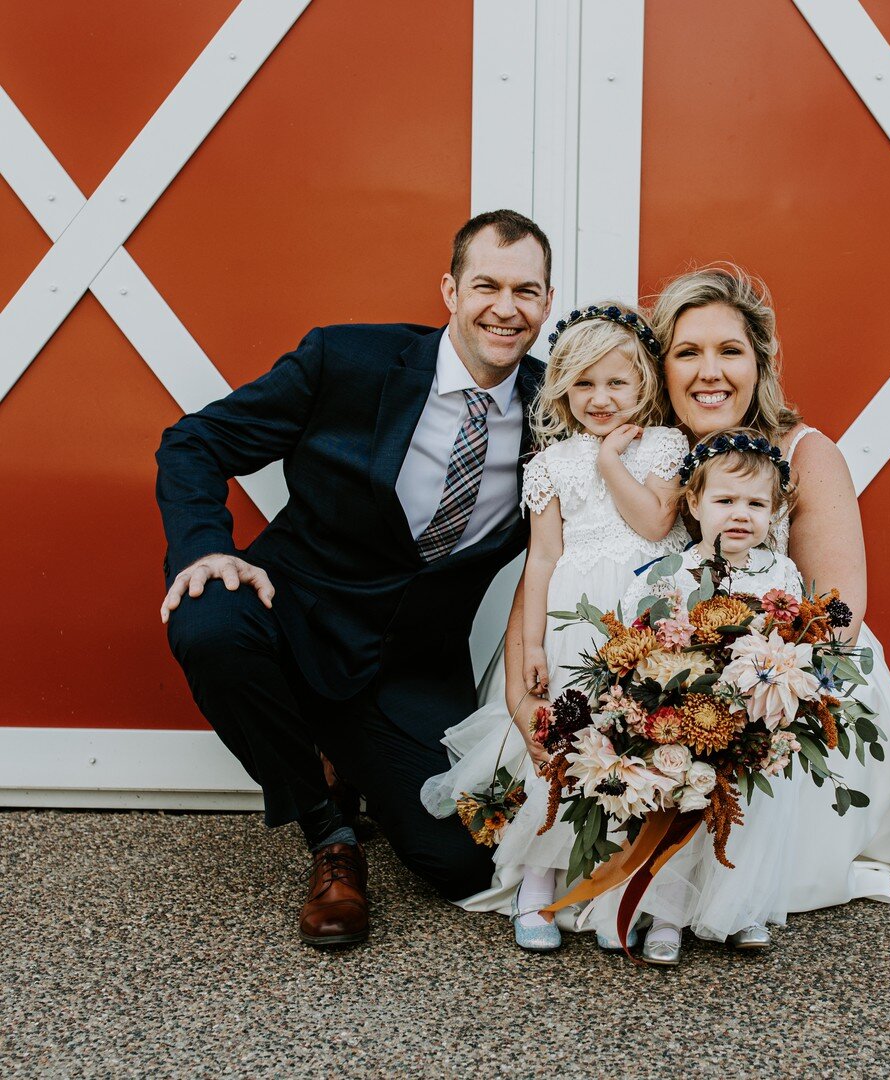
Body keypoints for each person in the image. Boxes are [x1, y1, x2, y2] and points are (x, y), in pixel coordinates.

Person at [501, 263, 890, 945]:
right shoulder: (636, 456)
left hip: (778, 682)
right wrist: (518, 687)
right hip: (638, 672)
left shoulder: (803, 453)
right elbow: (558, 572)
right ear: (660, 368)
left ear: (759, 363)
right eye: (688, 352)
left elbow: (836, 619)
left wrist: (739, 705)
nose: (710, 372)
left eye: (729, 351)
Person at [155, 209, 553, 949]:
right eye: (487, 285)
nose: (506, 308)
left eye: (526, 291)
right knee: (209, 618)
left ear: (547, 303)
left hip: (410, 661)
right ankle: (329, 833)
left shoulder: (555, 409)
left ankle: (349, 751)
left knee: (464, 864)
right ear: (450, 289)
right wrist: (204, 547)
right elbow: (194, 442)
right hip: (293, 613)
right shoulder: (347, 361)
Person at [420, 303, 690, 951]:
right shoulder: (550, 464)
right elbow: (542, 557)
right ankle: (537, 885)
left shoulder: (663, 446)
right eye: (584, 383)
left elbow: (655, 525)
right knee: (565, 748)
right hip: (575, 621)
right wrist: (533, 642)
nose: (600, 398)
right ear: (563, 387)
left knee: (643, 752)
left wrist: (609, 463)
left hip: (649, 619)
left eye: (616, 383)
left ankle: (633, 891)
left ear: (644, 386)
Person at [594, 428, 806, 964]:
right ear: (694, 501)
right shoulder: (673, 573)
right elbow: (640, 640)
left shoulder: (780, 575)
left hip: (749, 721)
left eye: (757, 504)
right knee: (679, 813)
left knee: (745, 819)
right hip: (682, 718)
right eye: (725, 500)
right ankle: (666, 916)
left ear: (774, 511)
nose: (741, 514)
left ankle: (738, 911)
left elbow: (793, 644)